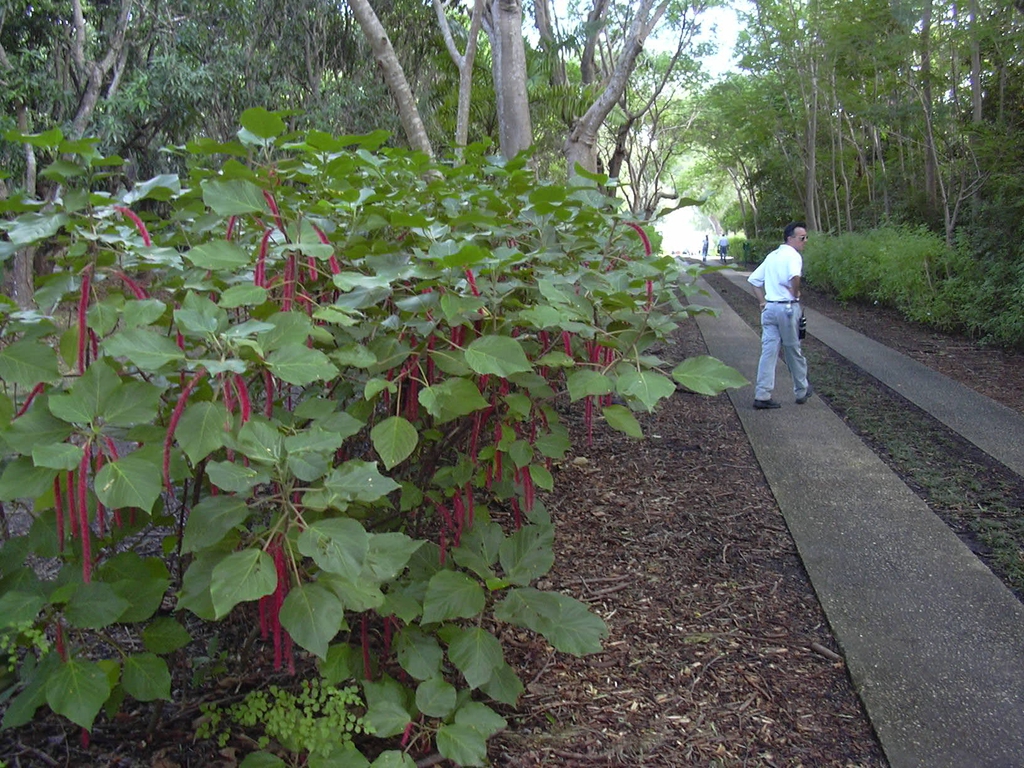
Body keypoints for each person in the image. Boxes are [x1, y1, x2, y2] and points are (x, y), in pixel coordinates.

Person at [747, 222, 812, 409]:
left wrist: (762, 302)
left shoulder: (772, 256)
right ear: (790, 238)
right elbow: (794, 277)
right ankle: (801, 389)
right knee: (793, 349)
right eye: (802, 238)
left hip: (770, 310)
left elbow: (754, 280)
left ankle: (762, 394)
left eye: (806, 237)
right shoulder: (793, 256)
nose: (805, 241)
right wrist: (795, 292)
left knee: (768, 352)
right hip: (787, 309)